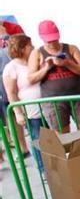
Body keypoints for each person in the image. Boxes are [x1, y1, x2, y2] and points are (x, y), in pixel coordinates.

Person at [27, 20, 80, 133]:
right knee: (62, 134)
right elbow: (31, 79)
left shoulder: (72, 48)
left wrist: (67, 63)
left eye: (54, 39)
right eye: (49, 41)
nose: (52, 43)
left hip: (78, 96)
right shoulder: (37, 53)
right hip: (54, 101)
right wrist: (46, 67)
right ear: (41, 38)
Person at [3, 34, 44, 173]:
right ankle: (43, 169)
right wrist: (18, 113)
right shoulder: (11, 67)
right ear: (22, 48)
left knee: (53, 138)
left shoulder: (35, 61)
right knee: (37, 139)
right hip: (32, 111)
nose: (32, 47)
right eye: (29, 45)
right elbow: (11, 92)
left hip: (48, 107)